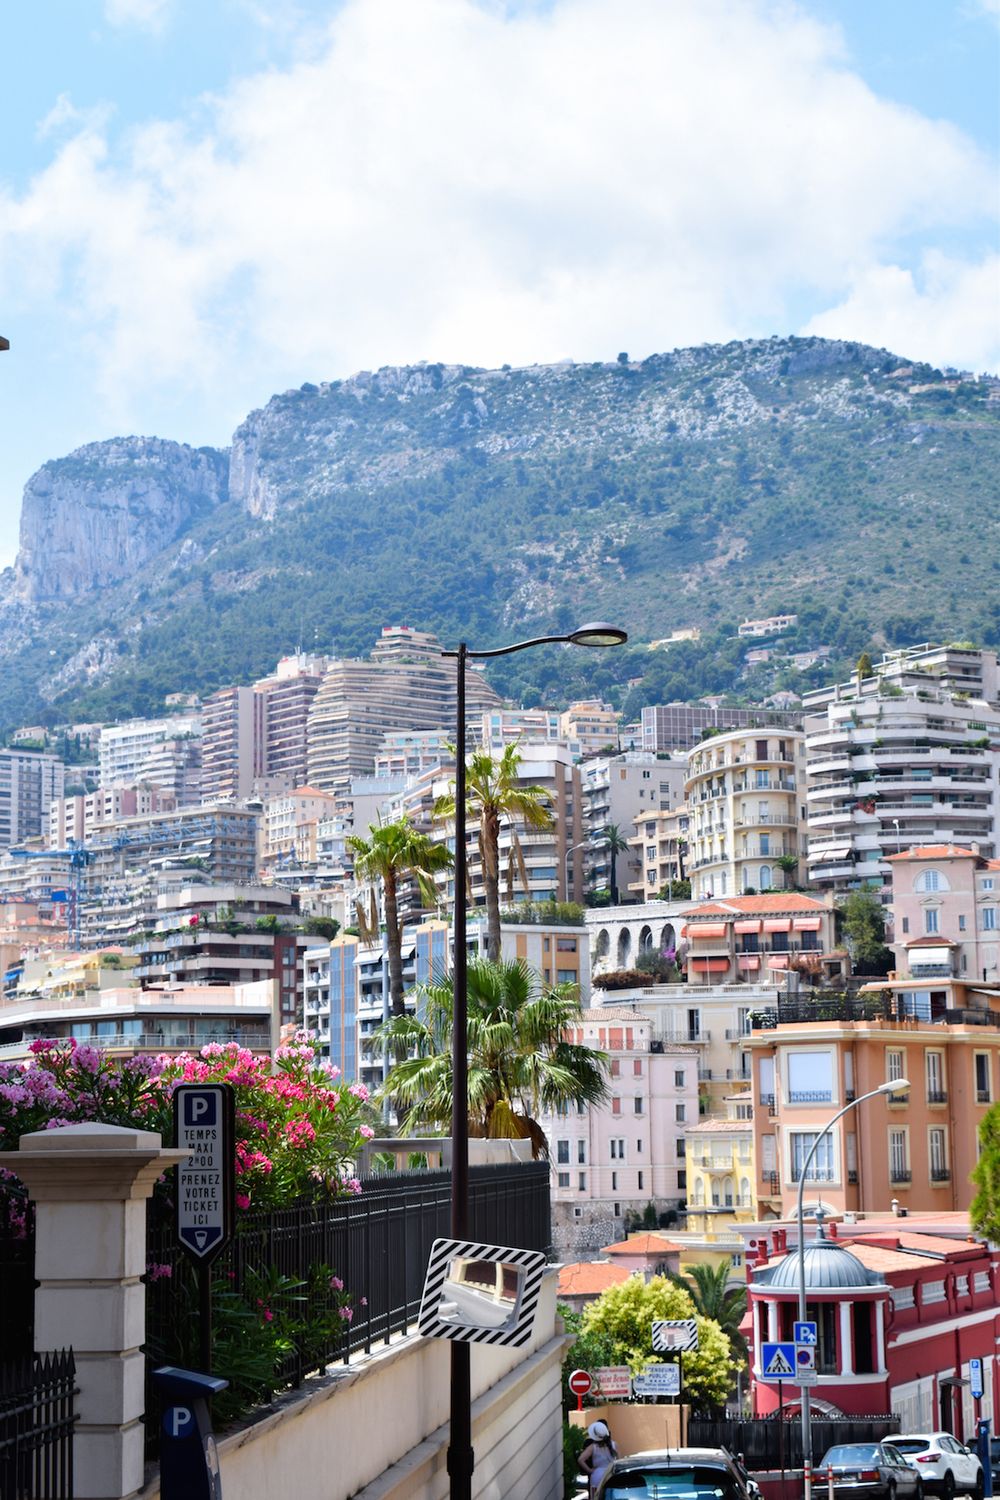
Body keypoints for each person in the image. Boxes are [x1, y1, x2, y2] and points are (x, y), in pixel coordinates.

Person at [579, 1420, 618, 1496]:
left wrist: (590, 1470)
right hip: (611, 1475)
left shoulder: (593, 1447)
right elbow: (619, 1461)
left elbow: (580, 1459)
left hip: (596, 1476)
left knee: (595, 1496)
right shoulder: (614, 1445)